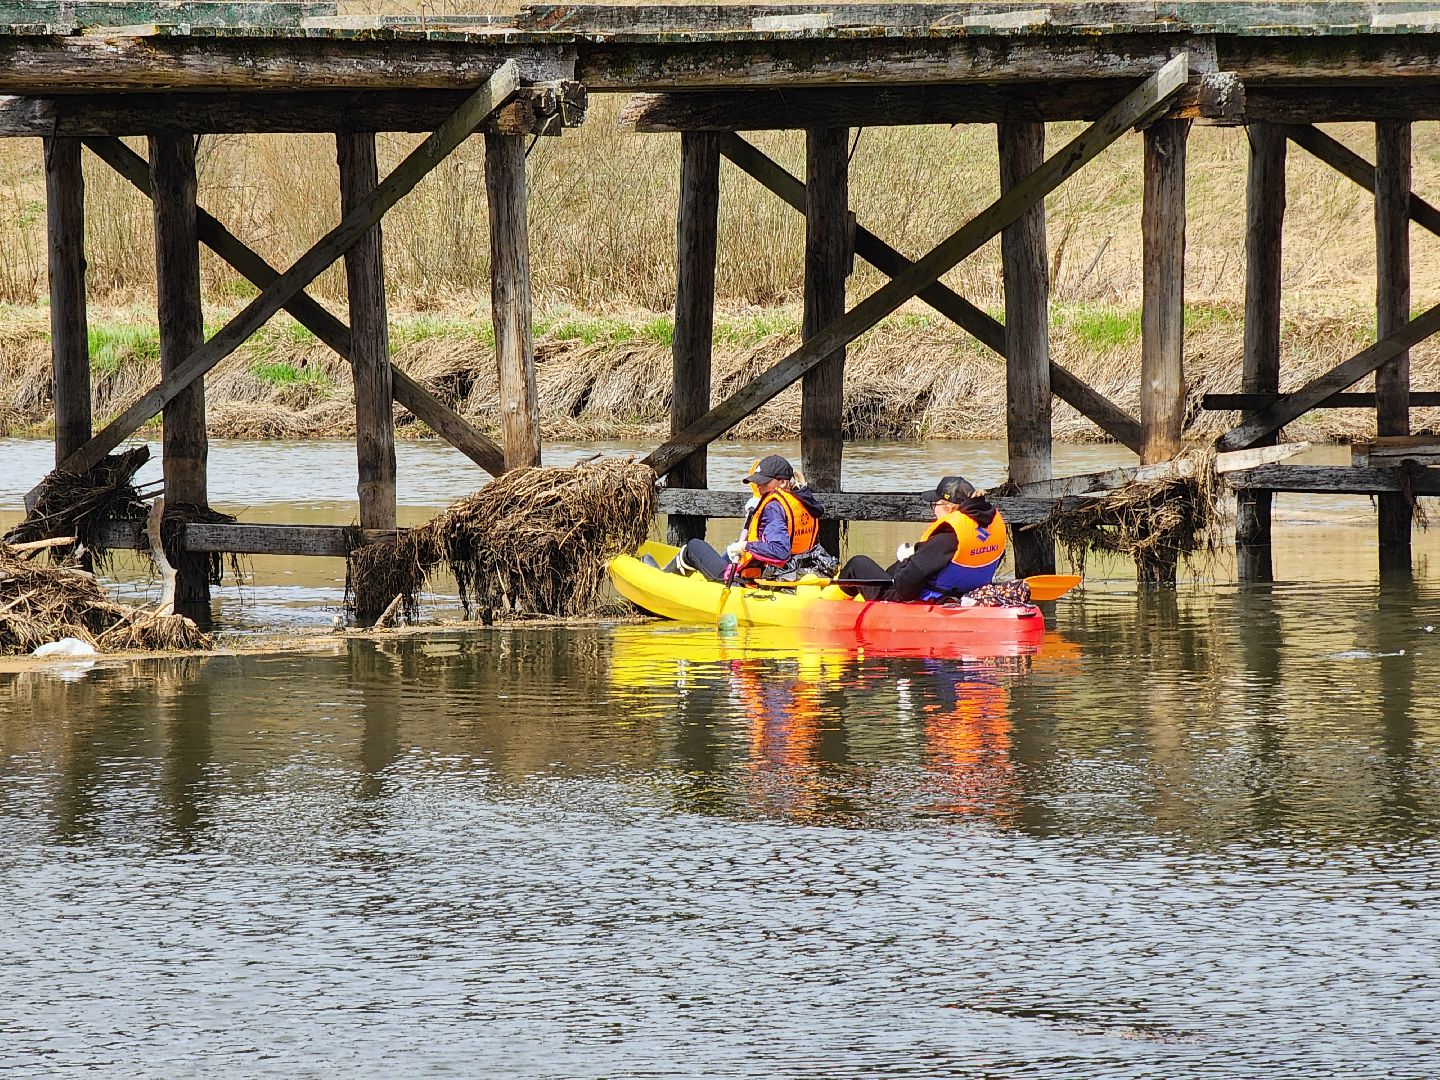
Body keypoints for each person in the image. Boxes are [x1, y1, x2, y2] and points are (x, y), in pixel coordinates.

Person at [664, 455, 838, 582]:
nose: (760, 488)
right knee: (731, 549)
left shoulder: (774, 507)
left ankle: (663, 580)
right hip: (794, 571)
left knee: (694, 546)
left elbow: (780, 551)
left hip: (758, 578)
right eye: (758, 483)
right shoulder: (803, 500)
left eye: (765, 483)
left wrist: (745, 545)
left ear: (782, 483)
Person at [838, 475, 1010, 603]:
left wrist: (906, 560)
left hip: (931, 598)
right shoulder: (990, 524)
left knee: (858, 564)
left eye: (935, 505)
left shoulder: (947, 537)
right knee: (893, 568)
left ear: (948, 508)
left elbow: (904, 589)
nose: (933, 510)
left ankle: (832, 602)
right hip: (968, 593)